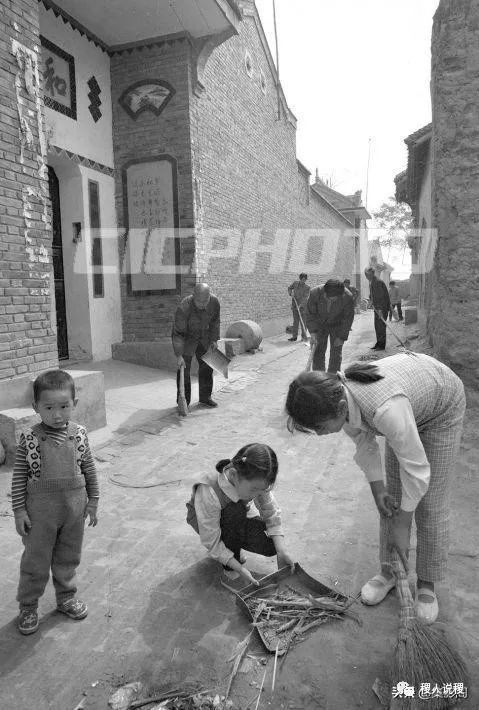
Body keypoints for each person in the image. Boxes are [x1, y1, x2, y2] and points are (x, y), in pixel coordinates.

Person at [285, 353, 466, 624]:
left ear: (340, 407)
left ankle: (426, 583)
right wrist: (378, 490)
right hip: (406, 409)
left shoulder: (385, 410)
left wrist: (404, 525)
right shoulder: (339, 401)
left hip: (441, 408)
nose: (320, 435)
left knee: (429, 504)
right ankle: (390, 572)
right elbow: (365, 444)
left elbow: (416, 470)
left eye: (320, 428)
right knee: (391, 503)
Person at [11, 370, 99, 635]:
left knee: (68, 556)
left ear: (75, 403)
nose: (57, 414)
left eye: (64, 406)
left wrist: (93, 500)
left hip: (74, 510)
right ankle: (28, 605)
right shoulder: (29, 438)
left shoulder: (80, 434)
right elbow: (18, 478)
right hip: (40, 514)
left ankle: (66, 598)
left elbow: (89, 469)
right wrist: (18, 511)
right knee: (35, 560)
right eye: (49, 407)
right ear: (35, 407)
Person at [186, 443, 294, 593]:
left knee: (271, 545)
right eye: (254, 490)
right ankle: (229, 568)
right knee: (234, 511)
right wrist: (239, 568)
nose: (258, 494)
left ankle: (232, 546)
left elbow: (270, 511)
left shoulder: (257, 479)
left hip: (236, 518)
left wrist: (282, 551)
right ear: (235, 476)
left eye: (262, 490)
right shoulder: (209, 491)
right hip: (210, 524)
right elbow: (211, 540)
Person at [172, 283, 220, 409]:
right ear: (193, 297)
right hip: (187, 340)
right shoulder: (184, 307)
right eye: (199, 301)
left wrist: (214, 339)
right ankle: (183, 402)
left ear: (209, 296)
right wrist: (179, 355)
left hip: (205, 338)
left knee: (207, 367)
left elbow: (215, 322)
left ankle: (205, 397)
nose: (203, 304)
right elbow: (178, 333)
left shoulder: (214, 302)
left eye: (205, 301)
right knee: (184, 370)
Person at [306, 278, 354, 373]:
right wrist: (313, 332)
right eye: (331, 298)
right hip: (320, 325)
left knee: (336, 353)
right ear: (325, 293)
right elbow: (310, 314)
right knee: (318, 351)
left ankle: (333, 377)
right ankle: (319, 377)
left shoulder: (347, 296)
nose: (334, 300)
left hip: (337, 325)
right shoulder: (314, 293)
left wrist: (341, 337)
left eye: (336, 298)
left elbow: (348, 319)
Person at [364, 267, 391, 351]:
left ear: (372, 273)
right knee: (377, 326)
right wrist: (370, 300)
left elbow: (380, 297)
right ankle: (378, 343)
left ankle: (381, 345)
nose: (366, 276)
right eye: (365, 275)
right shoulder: (372, 282)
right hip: (377, 308)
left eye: (367, 274)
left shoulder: (377, 282)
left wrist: (379, 310)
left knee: (381, 327)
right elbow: (373, 294)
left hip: (381, 308)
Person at [287, 273, 310, 341]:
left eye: (305, 279)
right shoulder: (295, 283)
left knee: (303, 322)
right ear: (300, 279)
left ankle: (303, 337)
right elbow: (289, 288)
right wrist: (291, 293)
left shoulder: (307, 287)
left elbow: (306, 298)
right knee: (295, 322)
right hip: (295, 306)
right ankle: (294, 337)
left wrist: (300, 305)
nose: (303, 281)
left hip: (302, 308)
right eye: (302, 279)